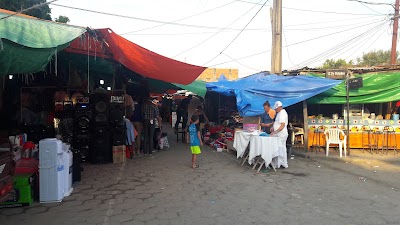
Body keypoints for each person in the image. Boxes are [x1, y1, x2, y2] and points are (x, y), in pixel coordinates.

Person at [270, 101, 289, 169]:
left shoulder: (282, 113)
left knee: (280, 149)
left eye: (276, 108)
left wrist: (276, 131)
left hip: (281, 134)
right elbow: (277, 123)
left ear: (280, 107)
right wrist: (273, 127)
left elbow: (282, 125)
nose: (275, 109)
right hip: (279, 133)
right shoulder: (279, 113)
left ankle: (281, 163)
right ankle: (281, 163)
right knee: (280, 148)